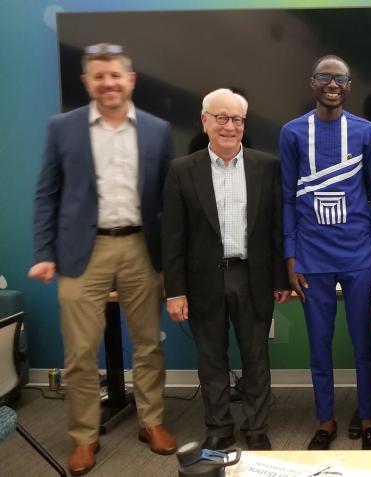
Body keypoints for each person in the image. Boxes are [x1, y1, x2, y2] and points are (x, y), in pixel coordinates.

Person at [29, 43, 175, 475]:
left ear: (130, 80)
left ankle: (152, 422)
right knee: (79, 352)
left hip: (140, 247)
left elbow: (169, 196)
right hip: (80, 250)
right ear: (87, 82)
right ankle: (84, 437)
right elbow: (46, 194)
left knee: (149, 344)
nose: (108, 82)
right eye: (99, 75)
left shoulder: (157, 129)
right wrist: (43, 251)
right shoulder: (62, 128)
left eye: (116, 75)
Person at [161, 88, 290, 451]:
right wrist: (175, 291)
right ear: (205, 121)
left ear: (243, 124)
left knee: (256, 357)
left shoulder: (266, 166)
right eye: (221, 118)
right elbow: (172, 238)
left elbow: (276, 229)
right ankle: (218, 426)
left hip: (253, 276)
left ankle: (256, 427)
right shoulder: (182, 170)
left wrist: (281, 278)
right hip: (204, 280)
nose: (229, 126)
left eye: (236, 119)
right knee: (211, 357)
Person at [279, 55, 371, 450]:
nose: (332, 84)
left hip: (359, 257)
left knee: (363, 341)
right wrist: (291, 257)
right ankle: (325, 420)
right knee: (319, 342)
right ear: (312, 82)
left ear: (349, 85)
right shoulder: (291, 133)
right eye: (325, 77)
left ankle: (369, 416)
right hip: (311, 259)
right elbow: (288, 198)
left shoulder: (366, 131)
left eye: (340, 78)